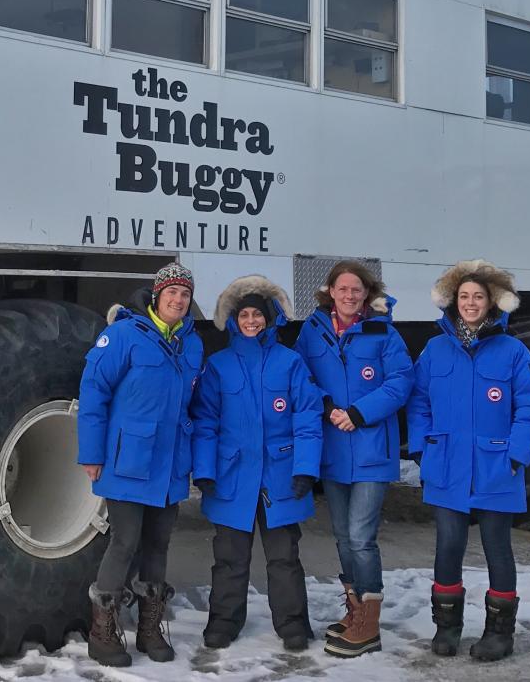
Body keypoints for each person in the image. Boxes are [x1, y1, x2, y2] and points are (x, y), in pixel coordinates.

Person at [407, 259, 530, 662]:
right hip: (446, 464)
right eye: (464, 296)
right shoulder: (435, 350)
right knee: (448, 546)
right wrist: (422, 446)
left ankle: (499, 635)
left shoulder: (513, 351)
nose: (470, 303)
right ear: (454, 301)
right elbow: (418, 401)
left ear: (491, 303)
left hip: (496, 466)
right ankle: (447, 629)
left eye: (478, 297)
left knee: (496, 548)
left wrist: (516, 456)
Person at [76, 262, 203, 667]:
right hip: (127, 460)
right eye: (172, 292)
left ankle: (149, 629)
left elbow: (194, 404)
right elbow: (94, 392)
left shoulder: (193, 343)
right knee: (125, 541)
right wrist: (92, 453)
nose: (178, 300)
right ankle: (103, 631)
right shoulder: (123, 335)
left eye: (185, 294)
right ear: (156, 295)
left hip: (169, 464)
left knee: (158, 544)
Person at [190, 275, 323, 652]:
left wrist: (305, 468)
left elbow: (307, 417)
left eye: (257, 315)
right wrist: (205, 471)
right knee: (229, 557)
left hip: (279, 476)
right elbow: (206, 421)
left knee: (284, 557)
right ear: (234, 320)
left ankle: (293, 623)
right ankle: (223, 622)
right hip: (233, 476)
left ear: (270, 318)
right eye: (244, 315)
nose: (251, 321)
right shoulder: (218, 366)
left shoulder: (290, 362)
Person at [293, 261, 414, 658]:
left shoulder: (384, 333)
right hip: (332, 449)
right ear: (330, 291)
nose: (349, 296)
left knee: (361, 537)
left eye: (356, 290)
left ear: (366, 294)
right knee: (344, 536)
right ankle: (357, 608)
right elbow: (301, 375)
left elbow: (401, 382)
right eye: (342, 289)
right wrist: (326, 404)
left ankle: (370, 625)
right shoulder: (312, 332)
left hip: (370, 450)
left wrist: (358, 413)